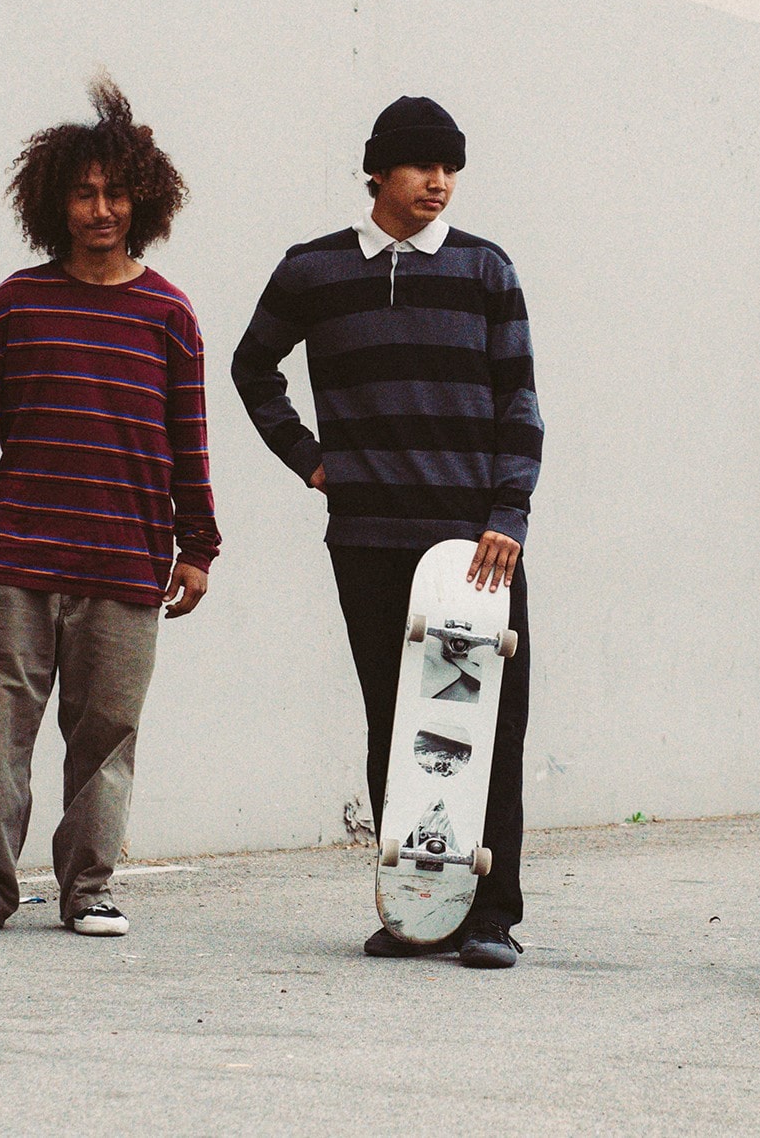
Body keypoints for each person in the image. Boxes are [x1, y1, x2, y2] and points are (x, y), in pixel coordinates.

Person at [231, 95, 543, 969]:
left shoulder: (486, 270)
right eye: (420, 166)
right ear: (377, 171)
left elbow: (520, 401)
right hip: (368, 535)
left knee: (490, 726)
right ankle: (417, 905)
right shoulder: (313, 271)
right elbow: (252, 366)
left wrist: (507, 515)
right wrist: (310, 459)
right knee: (395, 722)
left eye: (450, 167)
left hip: (473, 545)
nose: (438, 183)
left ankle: (490, 914)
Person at [0, 76, 220, 938]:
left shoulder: (168, 313)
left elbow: (188, 441)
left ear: (144, 199)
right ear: (55, 202)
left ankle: (90, 887)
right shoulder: (16, 303)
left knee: (106, 739)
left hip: (125, 563)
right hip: (18, 559)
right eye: (84, 193)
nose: (101, 209)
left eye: (116, 192)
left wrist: (195, 545)